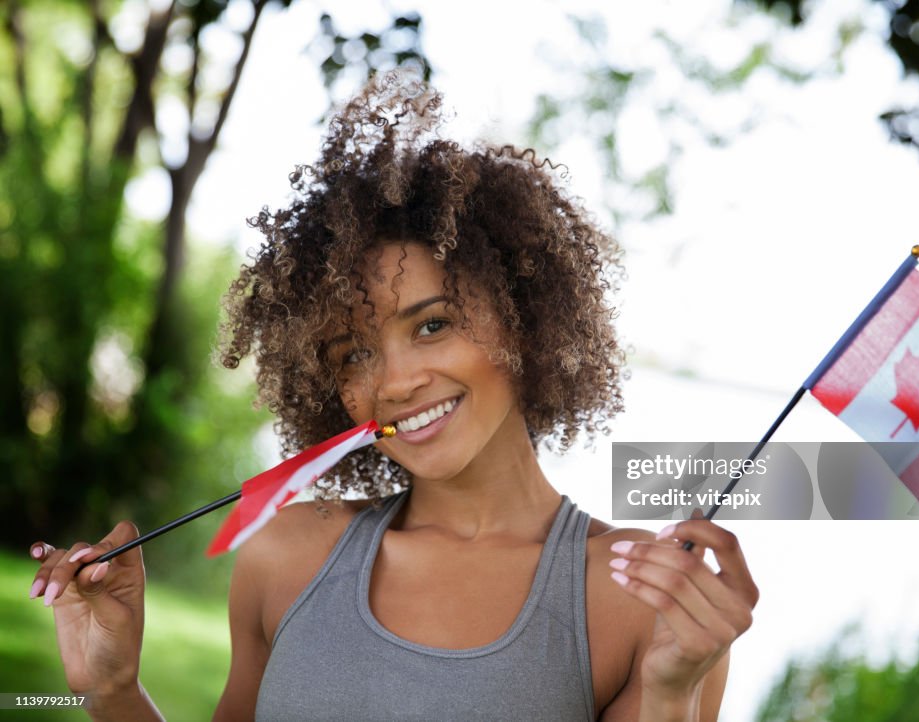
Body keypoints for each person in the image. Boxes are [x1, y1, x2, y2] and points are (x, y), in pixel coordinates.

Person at [28, 74, 758, 721]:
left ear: (526, 320)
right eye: (354, 354)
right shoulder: (284, 555)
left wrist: (670, 697)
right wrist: (114, 693)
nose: (394, 382)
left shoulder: (644, 592)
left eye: (433, 324)